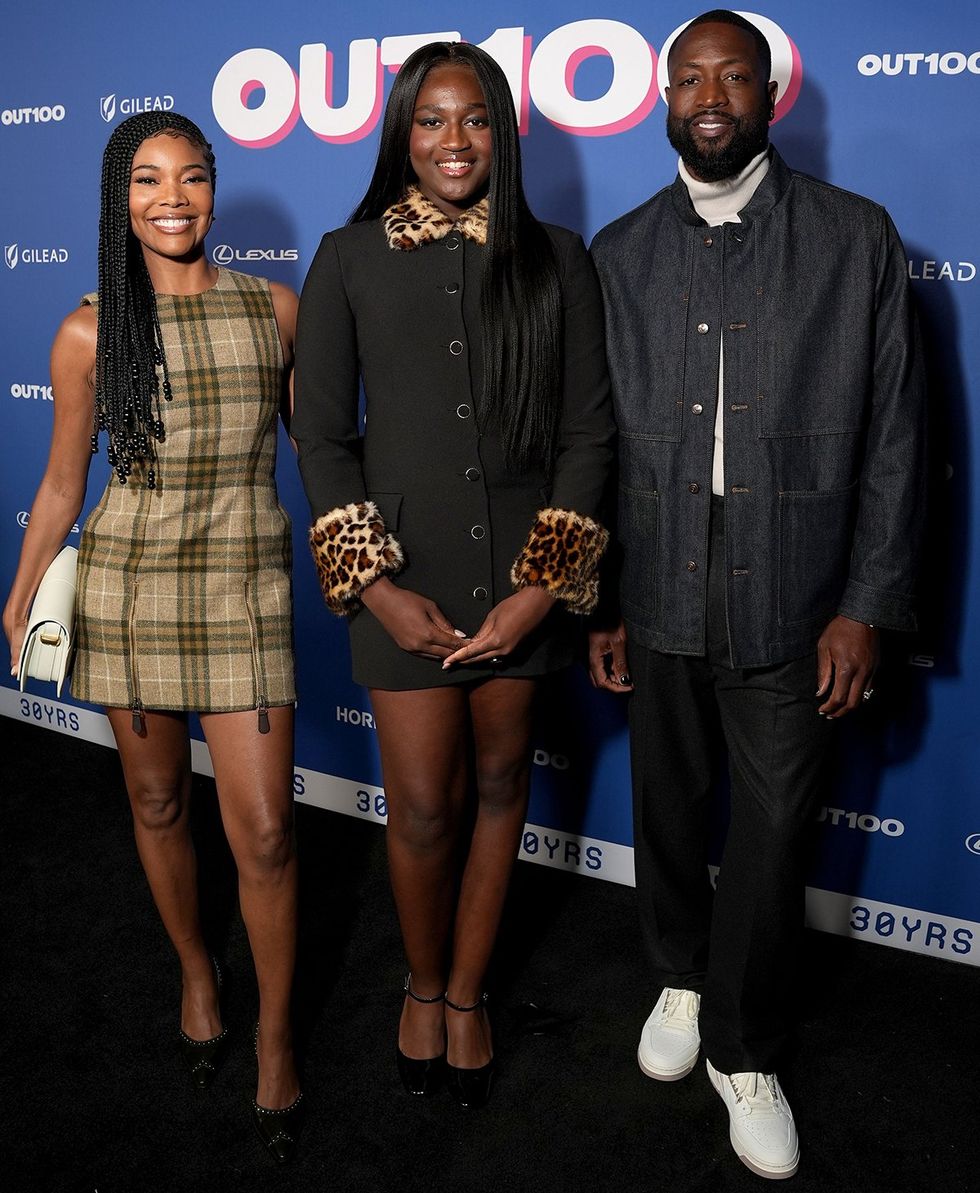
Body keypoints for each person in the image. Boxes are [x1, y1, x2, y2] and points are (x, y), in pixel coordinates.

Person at [589, 10, 925, 1180]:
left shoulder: (854, 238)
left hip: (798, 590)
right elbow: (594, 449)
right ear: (663, 100)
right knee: (670, 807)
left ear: (770, 93)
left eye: (734, 73)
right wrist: (600, 598)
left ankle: (745, 1046)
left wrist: (865, 602)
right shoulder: (617, 252)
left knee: (775, 832)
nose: (712, 93)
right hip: (657, 568)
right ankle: (678, 977)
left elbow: (895, 437)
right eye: (691, 77)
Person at [292, 41, 613, 1108]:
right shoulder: (346, 256)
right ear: (399, 132)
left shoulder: (556, 255)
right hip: (402, 580)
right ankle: (423, 981)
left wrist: (543, 585)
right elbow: (323, 440)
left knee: (497, 788)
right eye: (429, 120)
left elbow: (585, 434)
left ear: (500, 132)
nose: (452, 141)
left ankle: (468, 994)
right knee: (421, 806)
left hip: (523, 578)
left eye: (473, 118)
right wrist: (373, 584)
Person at [3, 112, 303, 1163]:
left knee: (264, 829)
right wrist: (23, 584)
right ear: (116, 198)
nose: (171, 197)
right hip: (132, 586)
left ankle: (274, 1031)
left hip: (245, 586)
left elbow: (335, 455)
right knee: (158, 797)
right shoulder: (90, 330)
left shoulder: (274, 308)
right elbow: (59, 482)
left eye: (191, 177)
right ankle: (194, 970)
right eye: (146, 179)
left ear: (214, 191)